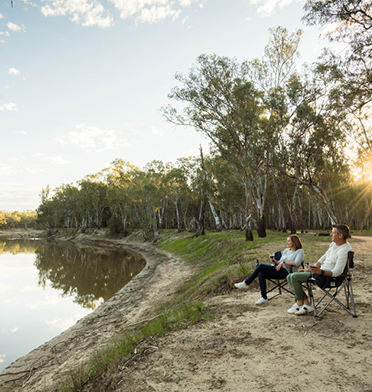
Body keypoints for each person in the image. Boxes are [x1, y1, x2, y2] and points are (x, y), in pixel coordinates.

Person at [286, 224, 353, 315]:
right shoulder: (334, 244)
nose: (330, 234)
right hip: (319, 272)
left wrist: (320, 271)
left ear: (340, 236)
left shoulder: (344, 250)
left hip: (326, 277)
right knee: (289, 276)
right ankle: (305, 303)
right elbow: (324, 256)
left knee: (293, 277)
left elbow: (337, 272)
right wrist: (313, 267)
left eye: (333, 233)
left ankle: (300, 303)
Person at [234, 235, 304, 305]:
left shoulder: (299, 251)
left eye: (289, 241)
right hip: (280, 270)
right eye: (287, 241)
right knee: (261, 273)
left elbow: (297, 263)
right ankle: (264, 297)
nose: (287, 242)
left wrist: (283, 263)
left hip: (288, 272)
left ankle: (246, 283)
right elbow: (280, 262)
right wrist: (275, 261)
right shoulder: (286, 250)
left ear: (294, 242)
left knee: (261, 265)